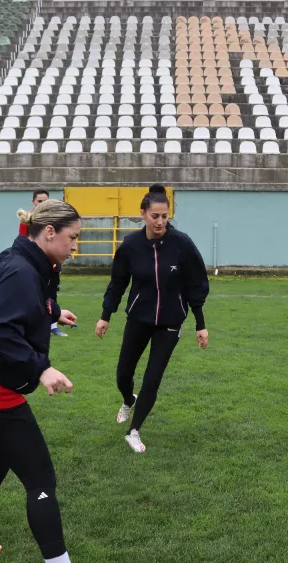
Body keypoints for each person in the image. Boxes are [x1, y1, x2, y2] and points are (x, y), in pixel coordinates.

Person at [0, 199, 109, 563]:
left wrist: (52, 311)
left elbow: (21, 305)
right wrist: (40, 368)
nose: (75, 247)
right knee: (40, 478)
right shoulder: (20, 270)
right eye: (72, 238)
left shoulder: (23, 261)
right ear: (49, 232)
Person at [96, 184, 210, 453]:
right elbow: (117, 283)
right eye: (155, 216)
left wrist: (200, 324)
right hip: (139, 318)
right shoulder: (131, 246)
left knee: (153, 377)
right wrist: (105, 315)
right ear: (143, 214)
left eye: (165, 216)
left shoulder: (182, 244)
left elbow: (196, 284)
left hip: (170, 321)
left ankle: (134, 431)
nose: (160, 222)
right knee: (123, 373)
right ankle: (128, 399)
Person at [20, 189, 68, 338]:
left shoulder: (53, 219)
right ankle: (34, 325)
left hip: (50, 263)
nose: (42, 204)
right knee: (34, 292)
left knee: (51, 292)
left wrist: (56, 262)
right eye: (40, 201)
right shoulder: (27, 219)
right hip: (34, 263)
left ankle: (53, 326)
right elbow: (23, 240)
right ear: (33, 202)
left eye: (45, 201)